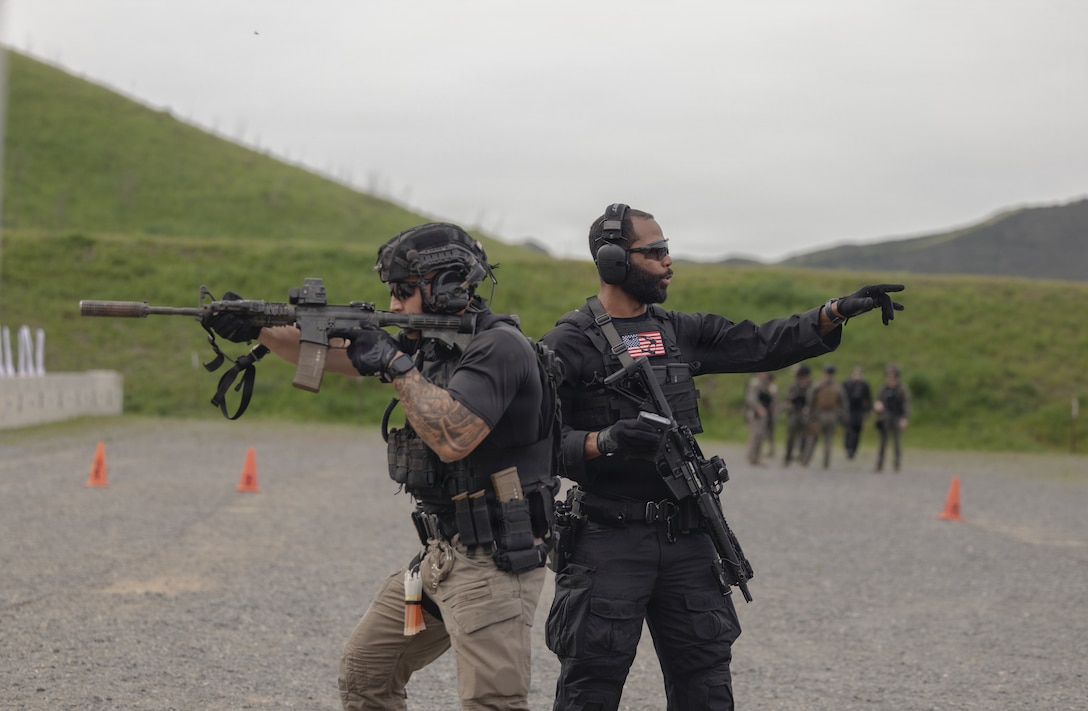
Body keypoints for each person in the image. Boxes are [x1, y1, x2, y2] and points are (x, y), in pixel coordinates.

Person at [541, 203, 904, 710]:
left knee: (707, 686)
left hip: (687, 537)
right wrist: (605, 441)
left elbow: (758, 344)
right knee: (591, 688)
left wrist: (832, 312)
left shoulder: (678, 331)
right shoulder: (568, 344)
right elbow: (537, 444)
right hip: (608, 541)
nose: (669, 262)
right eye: (656, 252)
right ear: (613, 262)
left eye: (668, 250)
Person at [203, 223, 560, 711]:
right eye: (391, 292)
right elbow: (330, 358)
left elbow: (454, 435)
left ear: (449, 284)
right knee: (366, 673)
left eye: (403, 291)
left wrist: (394, 364)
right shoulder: (430, 344)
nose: (393, 305)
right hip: (443, 554)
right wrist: (258, 327)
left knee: (492, 704)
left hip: (494, 564)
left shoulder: (499, 348)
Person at [874, 363, 912, 472]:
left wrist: (904, 418)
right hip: (885, 417)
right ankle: (879, 465)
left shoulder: (901, 389)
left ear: (896, 376)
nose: (890, 377)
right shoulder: (883, 388)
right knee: (882, 442)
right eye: (888, 375)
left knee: (897, 443)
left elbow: (906, 404)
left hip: (897, 417)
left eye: (892, 375)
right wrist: (877, 405)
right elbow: (877, 400)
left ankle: (896, 465)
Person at [807, 363, 846, 469]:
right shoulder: (837, 387)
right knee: (825, 440)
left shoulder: (818, 385)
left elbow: (811, 400)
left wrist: (811, 413)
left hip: (821, 414)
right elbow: (842, 403)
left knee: (815, 439)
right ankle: (825, 464)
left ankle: (807, 461)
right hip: (829, 415)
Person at [783, 364, 814, 467]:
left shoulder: (810, 386)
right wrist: (792, 397)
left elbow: (813, 399)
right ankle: (787, 458)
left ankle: (803, 458)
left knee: (805, 437)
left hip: (806, 413)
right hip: (794, 413)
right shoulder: (794, 385)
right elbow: (787, 397)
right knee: (791, 437)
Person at [743, 371, 775, 466]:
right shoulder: (755, 383)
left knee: (760, 436)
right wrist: (759, 408)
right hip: (756, 414)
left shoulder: (763, 383)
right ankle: (752, 457)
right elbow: (751, 398)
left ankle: (756, 457)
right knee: (755, 436)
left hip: (762, 413)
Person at [842, 365, 873, 459]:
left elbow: (868, 398)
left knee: (857, 430)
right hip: (849, 409)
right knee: (849, 429)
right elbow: (843, 396)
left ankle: (854, 449)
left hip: (859, 410)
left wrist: (869, 410)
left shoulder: (864, 385)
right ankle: (848, 448)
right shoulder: (847, 384)